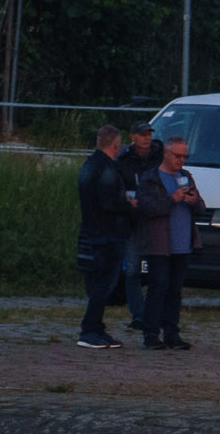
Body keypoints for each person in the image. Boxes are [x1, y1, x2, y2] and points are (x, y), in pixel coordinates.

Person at [134, 136, 201, 351]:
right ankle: (151, 334)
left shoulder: (186, 176)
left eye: (184, 156)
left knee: (175, 290)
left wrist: (194, 202)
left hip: (182, 244)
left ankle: (172, 333)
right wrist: (172, 199)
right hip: (159, 244)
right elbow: (147, 209)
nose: (181, 160)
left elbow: (201, 207)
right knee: (158, 287)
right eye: (177, 156)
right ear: (166, 153)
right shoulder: (150, 178)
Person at [73, 124, 136, 351]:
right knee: (104, 283)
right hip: (109, 233)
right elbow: (109, 202)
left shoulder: (90, 165)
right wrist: (130, 206)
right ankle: (90, 329)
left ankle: (96, 327)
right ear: (116, 145)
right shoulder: (107, 169)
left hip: (94, 230)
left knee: (102, 281)